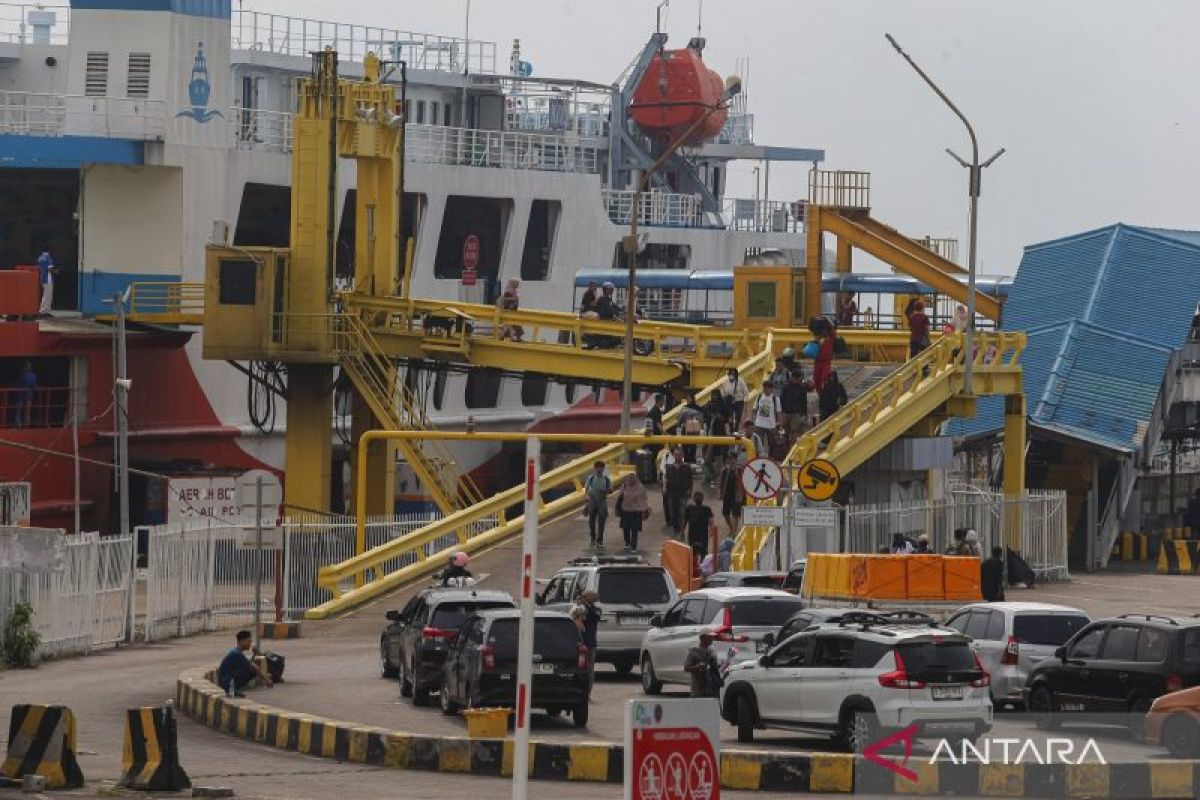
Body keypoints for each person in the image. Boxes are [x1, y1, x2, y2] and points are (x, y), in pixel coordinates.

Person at [217, 630, 273, 697]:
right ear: (241, 641)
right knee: (252, 670)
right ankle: (232, 690)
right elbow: (254, 667)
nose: (250, 644)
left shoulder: (237, 652)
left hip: (226, 680)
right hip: (225, 682)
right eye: (248, 641)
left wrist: (254, 654)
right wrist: (267, 680)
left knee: (251, 671)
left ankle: (235, 688)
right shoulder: (236, 654)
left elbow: (250, 664)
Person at [571, 590, 602, 694]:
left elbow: (595, 616)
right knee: (578, 668)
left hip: (590, 644)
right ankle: (578, 691)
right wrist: (580, 606)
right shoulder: (580, 608)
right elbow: (573, 615)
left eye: (585, 597)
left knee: (589, 669)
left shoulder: (596, 610)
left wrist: (585, 606)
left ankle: (587, 692)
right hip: (580, 643)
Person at [616, 473, 651, 551]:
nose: (631, 479)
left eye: (633, 478)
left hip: (636, 511)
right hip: (625, 510)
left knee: (634, 529)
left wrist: (646, 509)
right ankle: (627, 543)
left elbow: (644, 498)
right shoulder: (625, 485)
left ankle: (633, 546)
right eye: (630, 478)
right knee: (625, 528)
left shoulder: (640, 487)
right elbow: (620, 495)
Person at [683, 631, 721, 698]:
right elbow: (686, 668)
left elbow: (714, 668)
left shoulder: (712, 651)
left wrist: (721, 666)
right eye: (709, 637)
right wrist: (698, 667)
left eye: (712, 637)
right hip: (698, 688)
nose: (712, 638)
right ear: (702, 638)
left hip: (712, 687)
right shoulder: (693, 652)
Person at [665, 448, 692, 538]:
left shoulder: (687, 467)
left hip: (683, 493)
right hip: (671, 494)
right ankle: (676, 530)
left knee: (682, 513)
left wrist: (690, 491)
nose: (678, 457)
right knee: (673, 513)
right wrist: (664, 489)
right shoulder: (669, 467)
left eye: (679, 455)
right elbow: (666, 479)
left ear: (682, 456)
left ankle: (681, 532)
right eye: (676, 455)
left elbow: (690, 480)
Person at [584, 461, 611, 547]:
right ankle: (593, 537)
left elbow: (610, 489)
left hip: (602, 502)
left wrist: (607, 491)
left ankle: (600, 539)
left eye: (601, 467)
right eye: (597, 467)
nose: (599, 469)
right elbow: (587, 488)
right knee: (591, 520)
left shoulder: (606, 479)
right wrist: (586, 497)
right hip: (592, 501)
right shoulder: (591, 478)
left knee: (601, 521)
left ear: (603, 469)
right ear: (595, 468)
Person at [717, 451, 744, 535]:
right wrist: (720, 493)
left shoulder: (740, 470)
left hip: (737, 495)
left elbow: (742, 482)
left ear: (736, 459)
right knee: (726, 513)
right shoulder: (724, 470)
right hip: (727, 494)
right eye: (729, 458)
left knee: (735, 514)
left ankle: (733, 531)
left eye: (732, 459)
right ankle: (732, 528)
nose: (731, 461)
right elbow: (720, 482)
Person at [684, 491, 715, 561]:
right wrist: (682, 531)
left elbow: (710, 520)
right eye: (696, 496)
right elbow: (685, 520)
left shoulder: (707, 509)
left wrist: (712, 529)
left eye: (699, 496)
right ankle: (693, 567)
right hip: (692, 534)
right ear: (693, 499)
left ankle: (703, 566)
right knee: (692, 552)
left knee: (703, 552)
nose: (698, 498)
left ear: (702, 499)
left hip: (703, 534)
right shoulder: (689, 508)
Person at [780, 370, 809, 444]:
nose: (797, 380)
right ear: (792, 377)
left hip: (796, 414)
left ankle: (792, 449)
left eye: (798, 379)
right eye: (795, 378)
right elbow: (782, 399)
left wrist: (804, 414)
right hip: (786, 413)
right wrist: (782, 411)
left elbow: (804, 401)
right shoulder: (786, 387)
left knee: (794, 432)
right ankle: (785, 448)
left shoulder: (801, 388)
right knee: (785, 432)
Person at [752, 381, 781, 448]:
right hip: (759, 424)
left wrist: (779, 423)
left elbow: (778, 412)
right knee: (758, 443)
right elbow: (754, 409)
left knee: (772, 443)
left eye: (768, 388)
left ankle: (771, 456)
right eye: (765, 388)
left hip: (771, 425)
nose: (766, 390)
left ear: (771, 389)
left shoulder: (775, 399)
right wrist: (753, 420)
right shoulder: (759, 397)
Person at [679, 393, 704, 463]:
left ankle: (692, 462)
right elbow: (679, 419)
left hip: (694, 430)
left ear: (692, 398)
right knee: (685, 448)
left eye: (689, 398)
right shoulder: (684, 408)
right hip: (685, 429)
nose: (687, 399)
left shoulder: (697, 408)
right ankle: (687, 462)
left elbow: (701, 418)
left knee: (693, 449)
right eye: (687, 398)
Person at [12, 360, 36, 428]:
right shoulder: (33, 376)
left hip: (20, 395)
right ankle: (27, 424)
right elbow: (34, 386)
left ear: (24, 367)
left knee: (18, 411)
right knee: (27, 411)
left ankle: (18, 424)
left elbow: (17, 384)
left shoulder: (21, 375)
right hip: (29, 395)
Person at [657, 446, 676, 527]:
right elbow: (662, 470)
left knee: (673, 502)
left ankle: (673, 519)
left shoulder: (680, 458)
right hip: (667, 483)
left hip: (674, 483)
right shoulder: (666, 456)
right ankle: (669, 520)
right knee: (667, 502)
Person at [37, 249, 54, 317]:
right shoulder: (48, 258)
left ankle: (45, 310)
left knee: (45, 295)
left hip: (42, 279)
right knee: (48, 296)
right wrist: (56, 271)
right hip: (48, 280)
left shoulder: (40, 258)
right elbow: (50, 269)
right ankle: (44, 311)